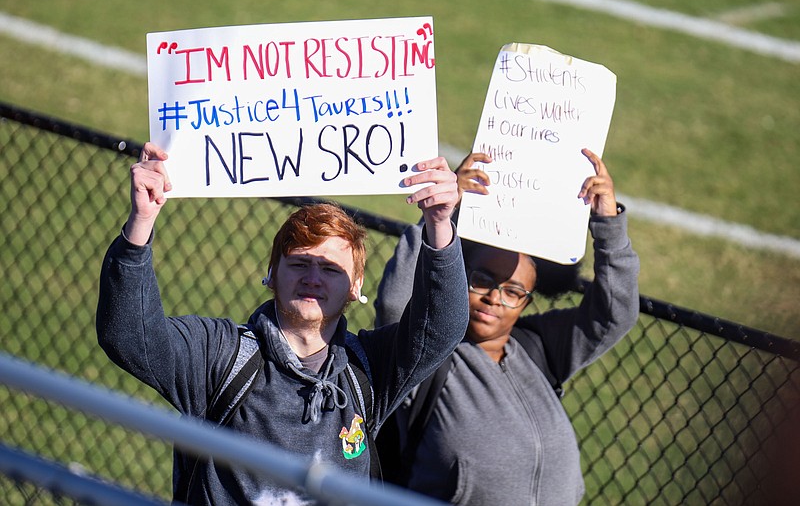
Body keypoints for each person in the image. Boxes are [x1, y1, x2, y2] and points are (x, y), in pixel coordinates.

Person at [96, 142, 469, 504]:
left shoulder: (369, 368)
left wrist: (439, 224)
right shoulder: (221, 355)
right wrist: (141, 222)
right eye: (299, 263)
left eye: (330, 269)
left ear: (356, 287)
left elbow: (441, 327)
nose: (313, 278)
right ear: (272, 274)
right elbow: (130, 337)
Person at [374, 148, 640, 505]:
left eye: (514, 291)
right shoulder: (424, 357)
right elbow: (395, 303)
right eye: (481, 280)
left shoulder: (538, 348)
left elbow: (613, 314)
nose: (494, 298)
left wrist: (608, 224)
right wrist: (440, 216)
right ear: (456, 276)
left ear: (527, 301)